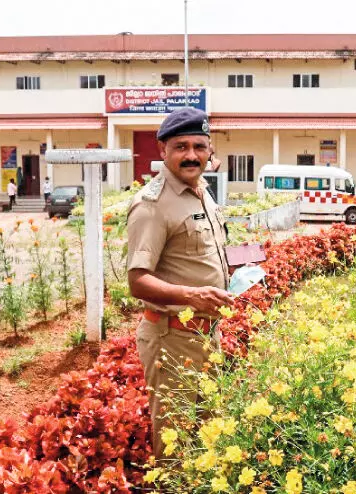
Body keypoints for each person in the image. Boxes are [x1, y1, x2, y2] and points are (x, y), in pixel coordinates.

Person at [126, 107, 233, 457]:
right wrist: (192, 295)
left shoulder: (201, 191)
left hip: (206, 335)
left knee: (210, 438)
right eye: (181, 147)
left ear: (209, 149)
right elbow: (137, 281)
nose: (191, 155)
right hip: (172, 339)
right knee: (176, 446)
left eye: (199, 146)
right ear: (163, 150)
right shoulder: (153, 205)